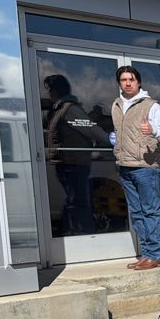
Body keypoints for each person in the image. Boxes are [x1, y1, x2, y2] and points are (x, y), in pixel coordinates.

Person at [112, 65, 160, 270]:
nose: (127, 83)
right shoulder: (116, 105)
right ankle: (147, 254)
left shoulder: (150, 105)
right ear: (119, 83)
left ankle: (156, 254)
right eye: (123, 80)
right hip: (124, 165)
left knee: (150, 211)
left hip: (146, 167)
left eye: (131, 79)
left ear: (138, 82)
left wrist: (153, 129)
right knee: (136, 212)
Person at [43, 75, 108, 235]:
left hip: (74, 163)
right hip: (67, 163)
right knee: (74, 200)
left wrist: (113, 141)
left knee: (77, 201)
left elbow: (92, 130)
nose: (49, 93)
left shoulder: (69, 109)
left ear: (57, 90)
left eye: (50, 90)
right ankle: (75, 233)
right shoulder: (59, 109)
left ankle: (83, 235)